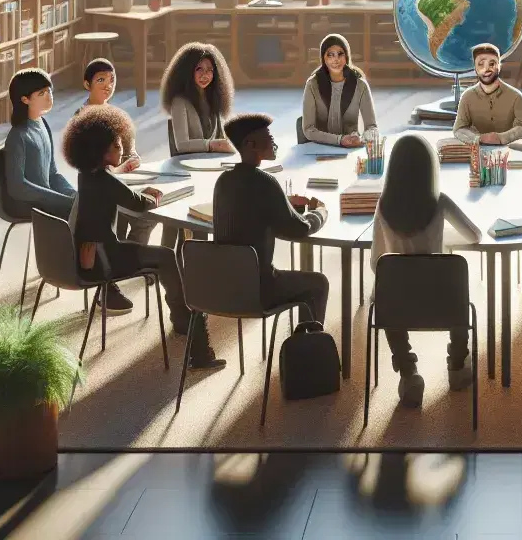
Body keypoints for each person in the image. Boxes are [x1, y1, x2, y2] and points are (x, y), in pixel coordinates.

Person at [62, 103, 220, 367]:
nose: (122, 148)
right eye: (116, 145)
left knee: (162, 255)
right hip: (106, 258)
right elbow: (139, 204)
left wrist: (141, 194)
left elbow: (127, 197)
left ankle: (181, 319)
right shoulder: (106, 180)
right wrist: (153, 195)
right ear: (100, 152)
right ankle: (186, 324)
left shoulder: (87, 176)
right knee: (167, 256)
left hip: (92, 254)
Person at [370, 135, 474, 407]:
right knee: (457, 285)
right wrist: (441, 237)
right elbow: (474, 235)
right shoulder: (439, 201)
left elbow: (375, 261)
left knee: (387, 291)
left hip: (400, 306)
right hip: (440, 302)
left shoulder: (383, 205)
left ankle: (408, 373)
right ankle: (458, 364)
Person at [211, 113, 331, 325]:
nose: (274, 141)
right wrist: (320, 211)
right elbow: (300, 228)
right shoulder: (266, 182)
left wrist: (282, 202)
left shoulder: (223, 181)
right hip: (259, 288)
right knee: (318, 283)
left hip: (224, 284)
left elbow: (249, 209)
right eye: (268, 136)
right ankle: (306, 349)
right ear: (251, 144)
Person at [2, 68, 75, 219]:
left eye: (49, 91)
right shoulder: (18, 136)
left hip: (47, 198)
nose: (49, 97)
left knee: (95, 204)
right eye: (41, 93)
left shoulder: (43, 124)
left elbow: (52, 174)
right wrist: (63, 201)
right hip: (30, 204)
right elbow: (17, 187)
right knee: (87, 213)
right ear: (25, 99)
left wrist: (73, 194)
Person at [300, 33, 379, 147]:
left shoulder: (360, 85)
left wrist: (363, 139)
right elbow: (308, 130)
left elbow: (372, 127)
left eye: (340, 54)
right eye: (330, 55)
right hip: (320, 148)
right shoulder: (312, 84)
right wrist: (339, 140)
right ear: (323, 58)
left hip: (350, 149)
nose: (336, 60)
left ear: (347, 56)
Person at [452, 42, 522, 146]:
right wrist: (478, 139)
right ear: (475, 68)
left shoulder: (516, 97)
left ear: (499, 66)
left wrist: (501, 138)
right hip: (478, 151)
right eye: (481, 64)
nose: (487, 69)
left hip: (509, 153)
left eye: (492, 64)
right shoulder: (467, 97)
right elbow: (459, 129)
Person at [161, 42, 235, 155]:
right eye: (199, 69)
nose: (204, 75)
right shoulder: (179, 102)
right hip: (189, 166)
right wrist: (212, 145)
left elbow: (223, 138)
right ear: (187, 71)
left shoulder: (215, 99)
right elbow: (181, 145)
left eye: (209, 70)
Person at [82, 58, 140, 173]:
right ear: (87, 84)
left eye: (111, 80)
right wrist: (118, 169)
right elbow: (87, 162)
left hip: (122, 177)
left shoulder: (118, 115)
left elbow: (130, 149)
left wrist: (133, 159)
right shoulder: (81, 118)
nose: (108, 86)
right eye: (101, 80)